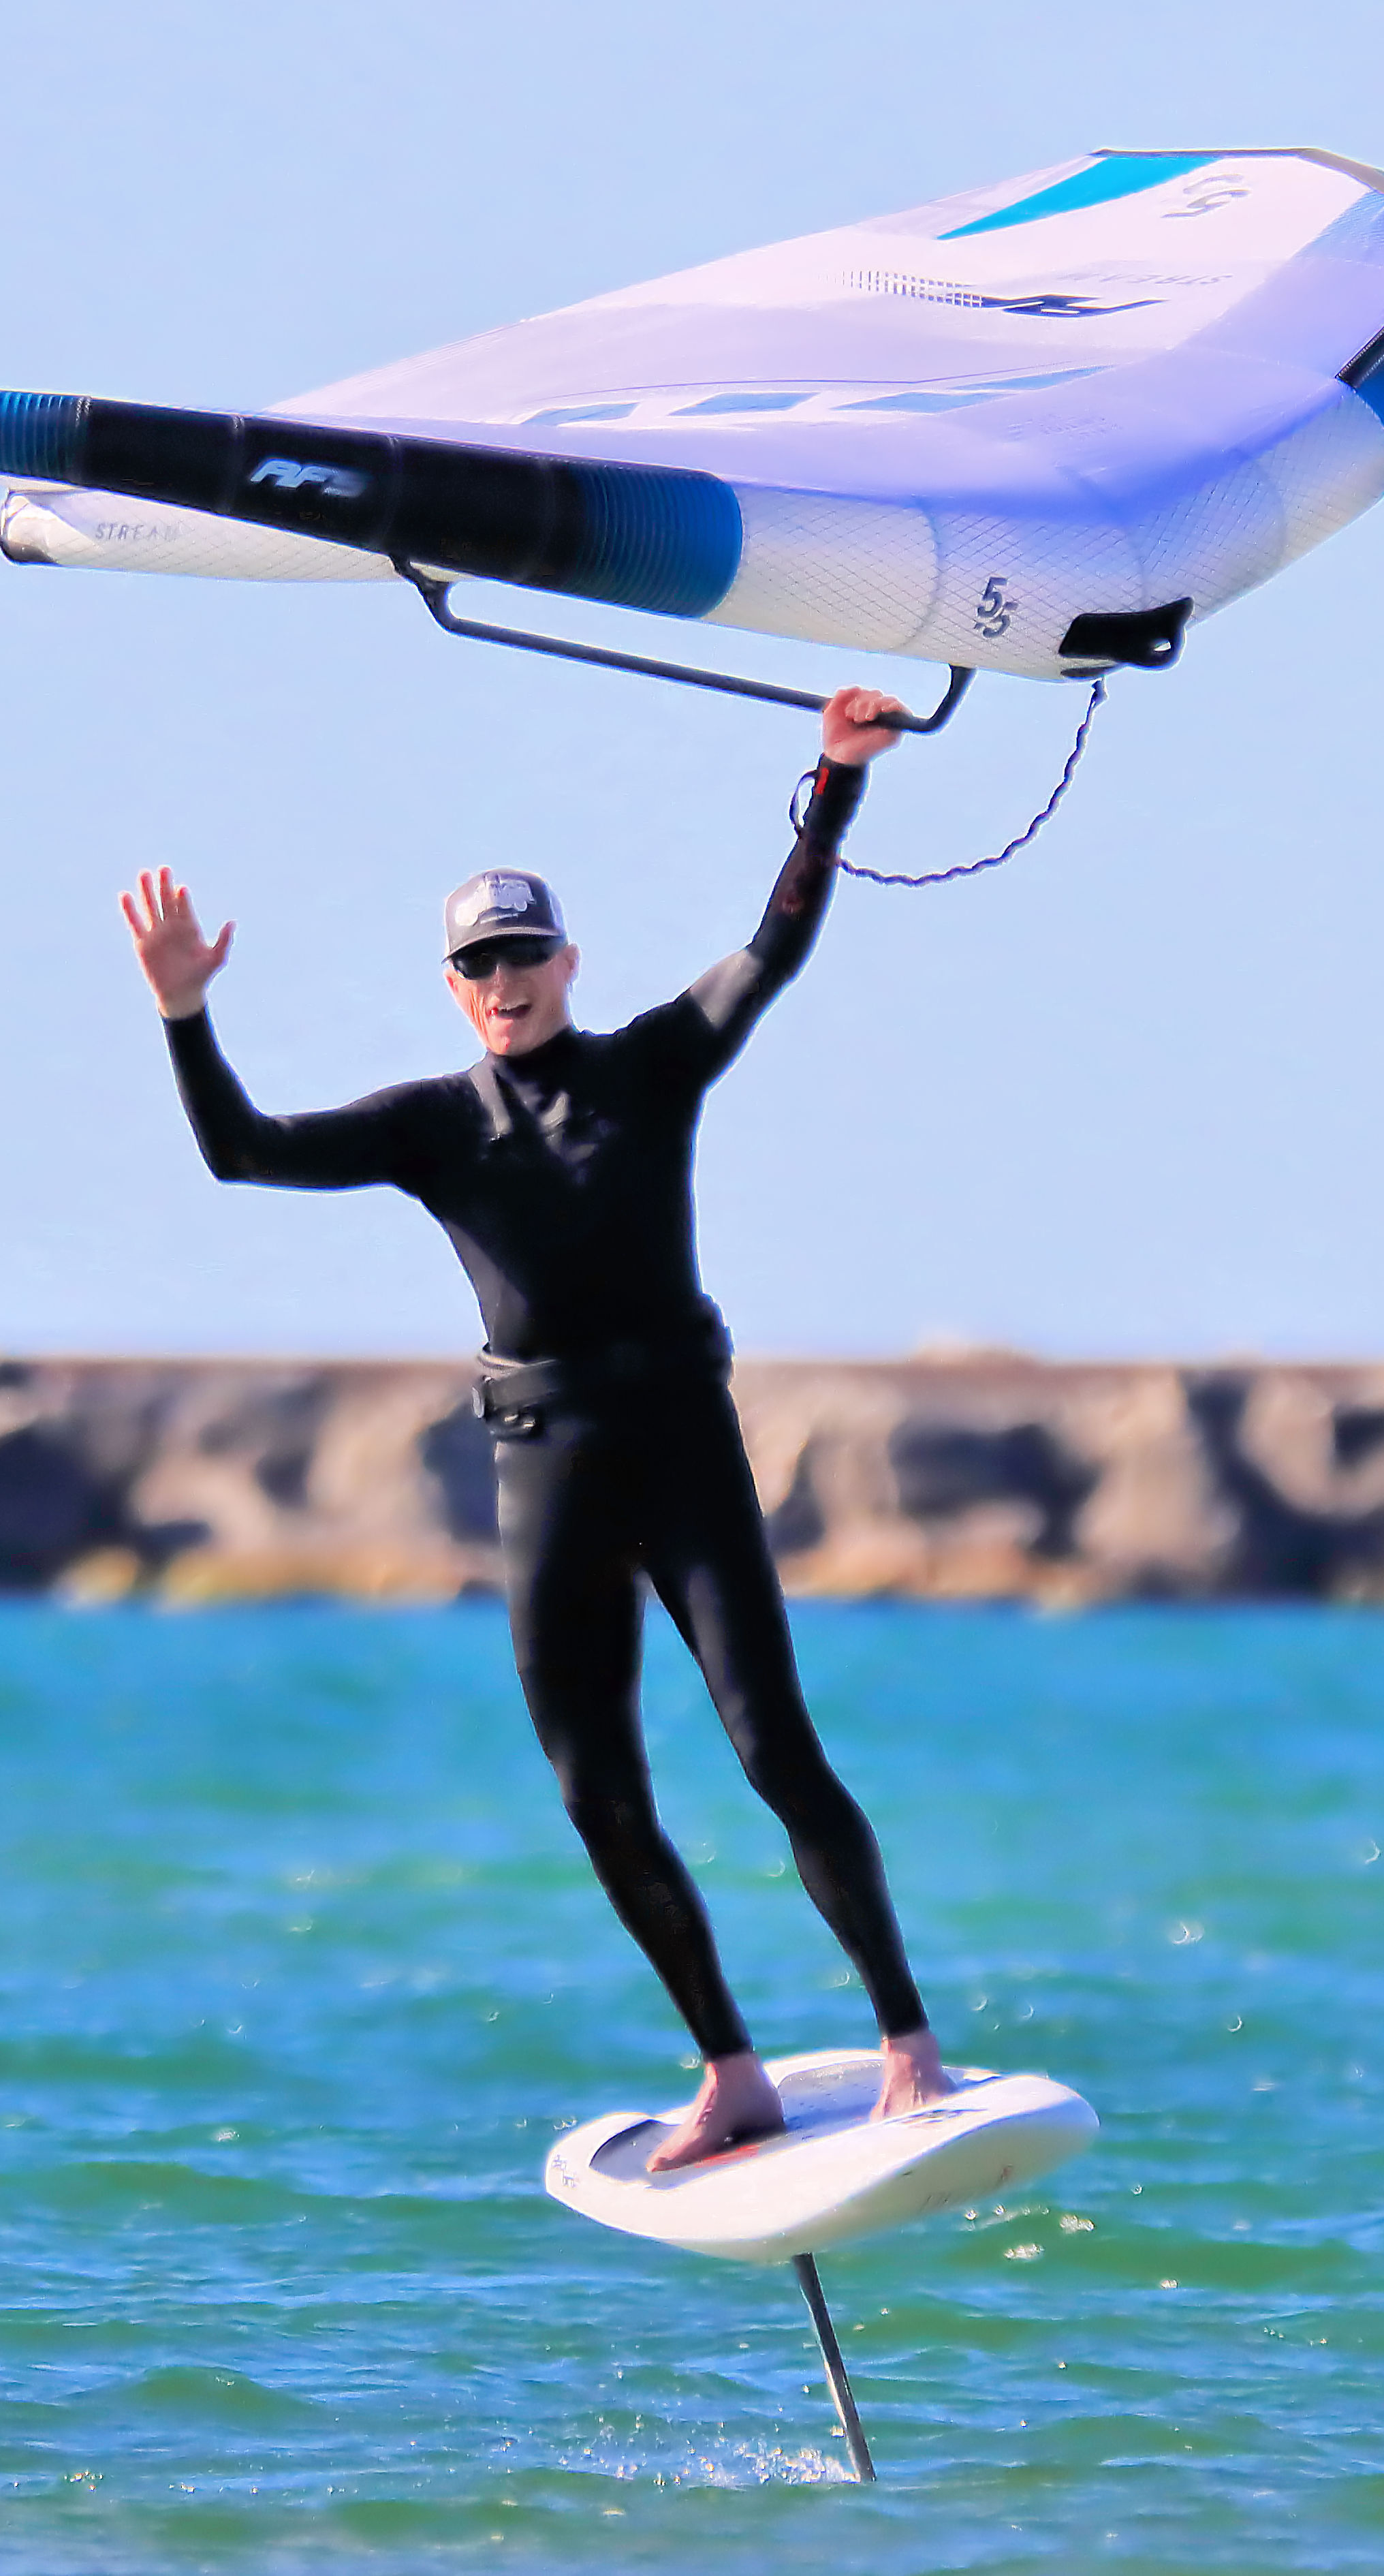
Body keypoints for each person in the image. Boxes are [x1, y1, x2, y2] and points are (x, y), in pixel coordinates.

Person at [119, 688, 949, 2169]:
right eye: (477, 963)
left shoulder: (651, 1066)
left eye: (522, 954)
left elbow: (771, 949)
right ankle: (732, 2071)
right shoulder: (436, 1126)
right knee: (596, 1792)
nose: (502, 980)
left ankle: (908, 2045)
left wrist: (833, 781)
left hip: (681, 1444)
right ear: (453, 988)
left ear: (568, 962)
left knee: (773, 1746)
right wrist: (186, 1012)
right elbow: (244, 1152)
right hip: (545, 1465)